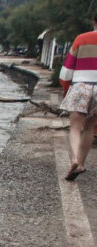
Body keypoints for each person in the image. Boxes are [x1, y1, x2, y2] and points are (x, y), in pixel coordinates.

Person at [59, 13, 97, 181]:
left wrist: (66, 90)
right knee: (89, 128)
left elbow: (66, 70)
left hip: (81, 86)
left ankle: (74, 159)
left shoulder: (82, 39)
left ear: (94, 21)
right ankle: (81, 164)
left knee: (75, 126)